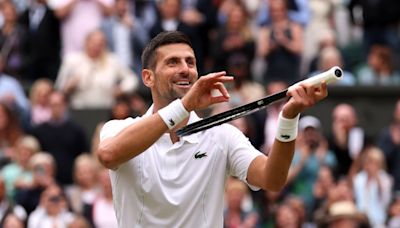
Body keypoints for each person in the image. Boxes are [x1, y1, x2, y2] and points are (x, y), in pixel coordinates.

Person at [96, 31, 329, 227]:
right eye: (172, 62)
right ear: (148, 78)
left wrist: (289, 117)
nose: (185, 69)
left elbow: (273, 179)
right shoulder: (120, 128)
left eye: (190, 62)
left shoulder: (222, 135)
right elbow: (108, 155)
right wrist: (184, 106)